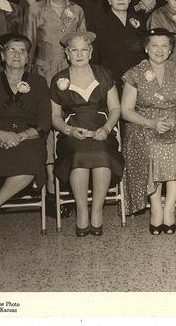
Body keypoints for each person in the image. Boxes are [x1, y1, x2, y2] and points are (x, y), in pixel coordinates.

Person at [0, 33, 52, 248]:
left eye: (22, 51)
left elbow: (44, 123)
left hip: (27, 139)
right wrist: (0, 134)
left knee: (29, 163)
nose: (16, 54)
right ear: (2, 55)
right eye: (11, 50)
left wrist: (20, 136)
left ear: (28, 58)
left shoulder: (39, 82)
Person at [121, 28, 176, 234]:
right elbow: (126, 111)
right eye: (155, 45)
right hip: (142, 126)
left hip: (175, 124)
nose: (160, 50)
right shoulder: (135, 73)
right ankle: (156, 207)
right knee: (153, 147)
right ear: (146, 48)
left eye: (165, 45)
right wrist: (152, 123)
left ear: (171, 49)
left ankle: (170, 208)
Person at [23, 0, 86, 212]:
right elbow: (27, 46)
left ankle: (70, 177)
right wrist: (26, 80)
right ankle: (50, 185)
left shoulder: (77, 10)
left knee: (71, 121)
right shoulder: (35, 10)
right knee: (49, 124)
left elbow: (83, 45)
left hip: (72, 71)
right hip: (44, 70)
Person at [50, 31, 123, 236]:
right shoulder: (59, 79)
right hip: (72, 132)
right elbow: (54, 116)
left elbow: (115, 109)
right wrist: (69, 130)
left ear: (90, 53)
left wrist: (107, 128)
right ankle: (82, 210)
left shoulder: (103, 74)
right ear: (67, 53)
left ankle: (97, 210)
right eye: (74, 50)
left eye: (84, 50)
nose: (79, 54)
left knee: (102, 152)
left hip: (101, 128)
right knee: (78, 153)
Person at [94, 0, 147, 90]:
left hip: (138, 80)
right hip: (111, 81)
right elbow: (95, 58)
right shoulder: (99, 23)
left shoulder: (138, 19)